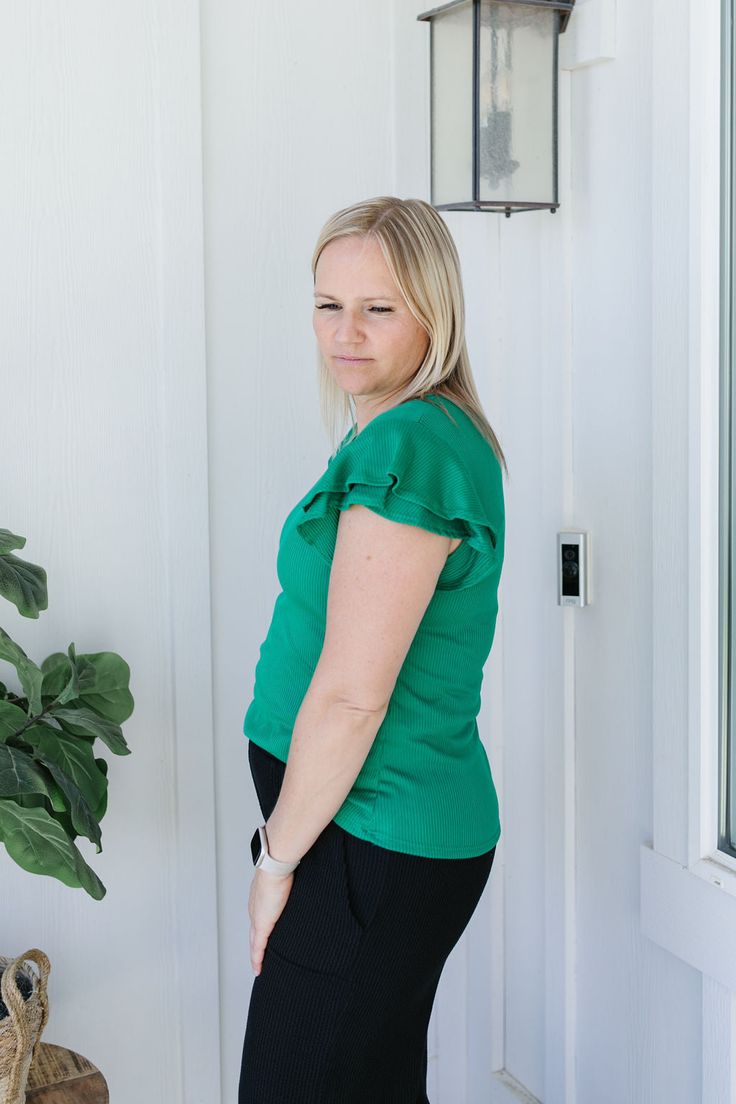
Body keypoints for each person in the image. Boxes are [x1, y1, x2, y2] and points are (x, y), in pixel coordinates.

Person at [238, 195, 508, 1104]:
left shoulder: (411, 448)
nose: (344, 333)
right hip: (367, 840)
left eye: (378, 308)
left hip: (366, 840)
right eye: (328, 305)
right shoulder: (406, 431)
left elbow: (354, 697)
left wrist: (275, 862)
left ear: (434, 312)